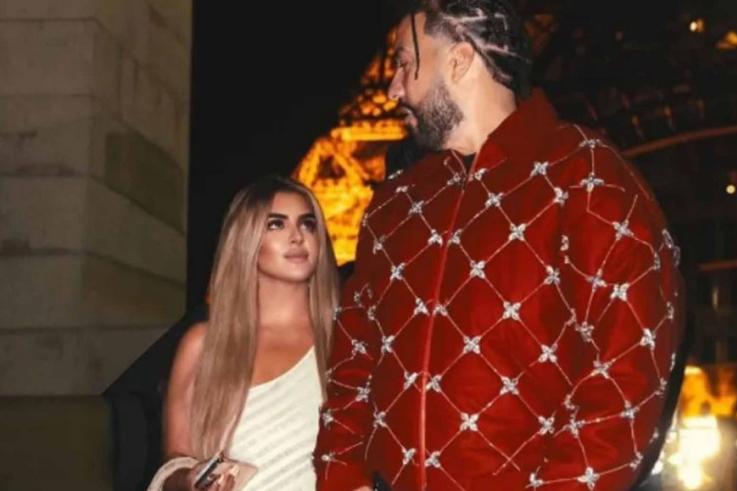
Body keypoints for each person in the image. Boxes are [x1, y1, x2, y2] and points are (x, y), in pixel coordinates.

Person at [314, 1, 684, 490]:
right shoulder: (393, 205)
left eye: (404, 63)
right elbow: (353, 366)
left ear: (459, 59)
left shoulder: (586, 175)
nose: (393, 88)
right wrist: (343, 478)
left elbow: (625, 375)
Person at [149, 176, 339, 490]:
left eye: (308, 224)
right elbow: (175, 463)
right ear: (246, 240)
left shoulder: (347, 338)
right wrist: (192, 480)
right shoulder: (204, 344)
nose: (297, 237)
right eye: (276, 224)